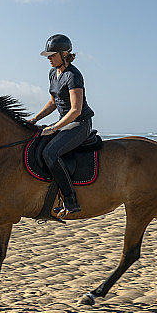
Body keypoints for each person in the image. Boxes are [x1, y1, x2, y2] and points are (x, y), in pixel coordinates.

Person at [28, 34, 95, 217]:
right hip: (64, 123)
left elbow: (76, 110)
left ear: (64, 54)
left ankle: (71, 200)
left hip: (79, 124)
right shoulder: (53, 73)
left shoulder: (73, 75)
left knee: (50, 153)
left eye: (52, 55)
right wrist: (35, 119)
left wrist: (54, 128)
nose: (49, 59)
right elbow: (52, 102)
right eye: (48, 56)